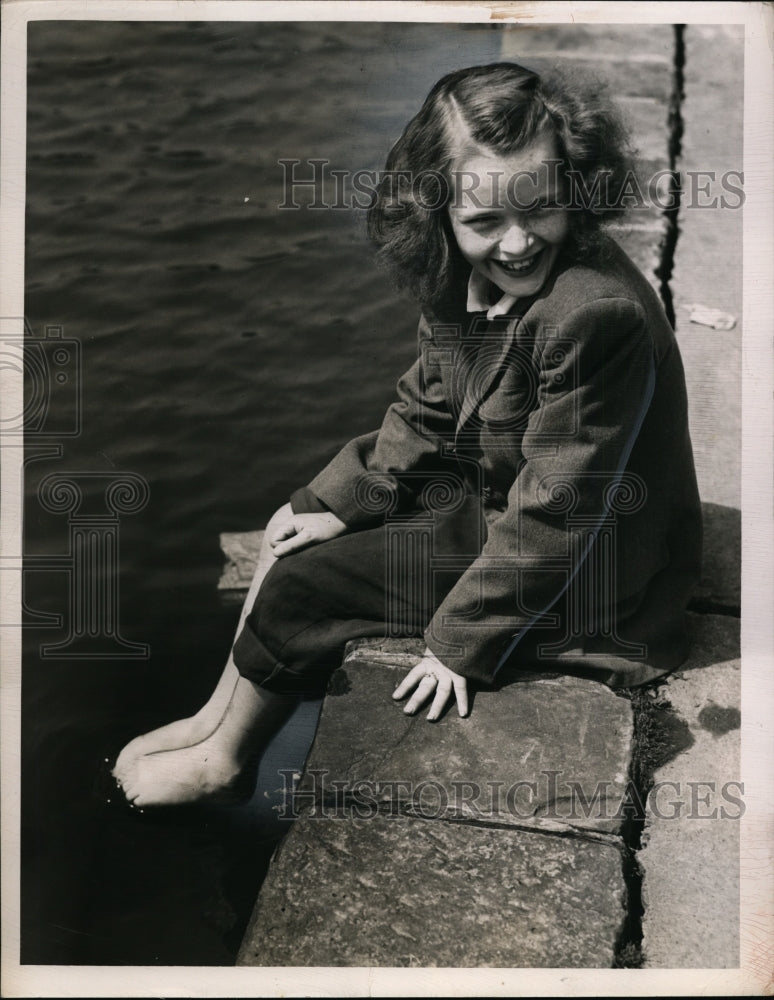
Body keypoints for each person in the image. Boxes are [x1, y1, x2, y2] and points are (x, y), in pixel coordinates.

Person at [114, 62, 701, 808]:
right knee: (292, 526)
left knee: (306, 586)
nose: (518, 243)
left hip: (589, 567)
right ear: (440, 212)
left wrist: (463, 644)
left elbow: (560, 508)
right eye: (485, 221)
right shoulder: (463, 272)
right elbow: (427, 404)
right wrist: (344, 499)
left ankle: (226, 760)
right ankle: (211, 717)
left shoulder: (593, 315)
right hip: (506, 494)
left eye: (539, 210)